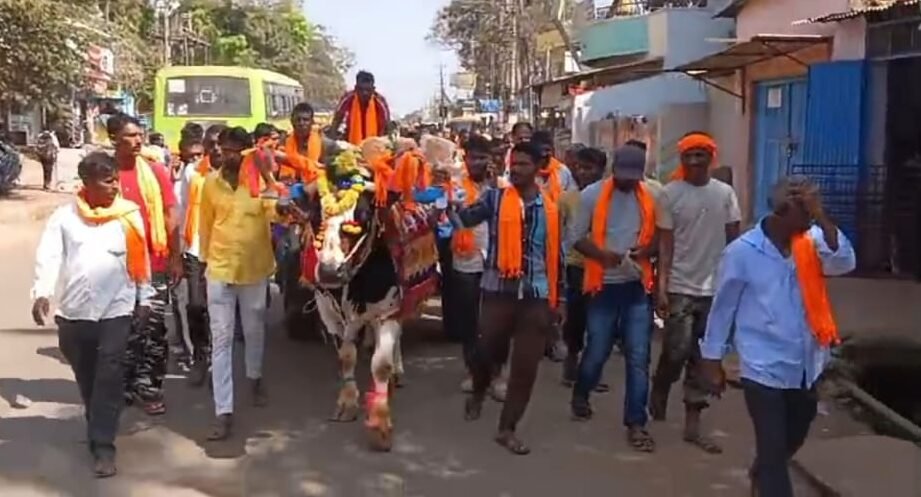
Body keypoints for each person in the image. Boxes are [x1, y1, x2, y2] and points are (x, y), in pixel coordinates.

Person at [700, 175, 855, 497]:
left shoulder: (811, 242)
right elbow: (723, 308)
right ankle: (768, 476)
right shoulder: (742, 252)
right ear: (783, 211)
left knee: (794, 434)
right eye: (806, 214)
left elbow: (844, 262)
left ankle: (764, 469)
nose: (810, 221)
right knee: (772, 448)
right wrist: (711, 361)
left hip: (805, 364)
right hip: (762, 366)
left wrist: (822, 217)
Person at [31, 152, 154, 477]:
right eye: (107, 181)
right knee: (88, 376)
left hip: (118, 308)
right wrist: (42, 292)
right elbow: (50, 255)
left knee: (110, 373)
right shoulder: (65, 217)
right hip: (75, 311)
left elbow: (140, 260)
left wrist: (144, 299)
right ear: (87, 183)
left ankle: (103, 446)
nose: (115, 187)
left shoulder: (128, 215)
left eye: (116, 179)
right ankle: (96, 415)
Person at [452, 141, 562, 455]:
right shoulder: (495, 198)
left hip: (536, 296)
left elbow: (557, 254)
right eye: (513, 164)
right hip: (498, 291)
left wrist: (560, 300)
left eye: (523, 164)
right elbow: (464, 222)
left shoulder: (550, 207)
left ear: (539, 167)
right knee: (486, 352)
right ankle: (479, 390)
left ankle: (507, 428)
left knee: (526, 368)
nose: (515, 169)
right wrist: (451, 207)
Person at [198, 126, 298, 440]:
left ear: (245, 152)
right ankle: (222, 411)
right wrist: (204, 266)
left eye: (233, 150)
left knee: (254, 329)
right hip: (220, 269)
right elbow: (205, 227)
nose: (225, 155)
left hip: (254, 270)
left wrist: (283, 208)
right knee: (222, 340)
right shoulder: (210, 184)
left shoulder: (259, 180)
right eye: (222, 149)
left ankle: (254, 376)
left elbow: (275, 210)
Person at [650, 131, 741, 454]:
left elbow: (735, 242)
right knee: (675, 351)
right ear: (682, 160)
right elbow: (665, 245)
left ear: (710, 158)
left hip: (714, 289)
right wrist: (661, 288)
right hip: (679, 287)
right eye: (688, 156)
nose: (694, 162)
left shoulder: (725, 194)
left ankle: (693, 425)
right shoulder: (669, 194)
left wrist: (736, 287)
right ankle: (660, 385)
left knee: (703, 357)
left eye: (700, 155)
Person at [569, 145, 658, 452]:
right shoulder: (592, 195)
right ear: (613, 170)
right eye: (622, 176)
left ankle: (636, 422)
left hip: (636, 286)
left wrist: (645, 252)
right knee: (597, 350)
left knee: (639, 357)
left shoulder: (652, 196)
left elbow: (662, 236)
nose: (627, 182)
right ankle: (581, 392)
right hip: (602, 286)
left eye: (634, 178)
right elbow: (575, 237)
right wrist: (604, 255)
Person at [108, 113, 181, 416]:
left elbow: (171, 214)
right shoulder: (104, 173)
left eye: (140, 134)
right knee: (119, 329)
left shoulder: (155, 172)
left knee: (152, 328)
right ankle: (122, 386)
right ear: (114, 139)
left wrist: (176, 256)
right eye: (130, 135)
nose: (138, 140)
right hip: (113, 267)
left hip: (155, 264)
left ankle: (149, 387)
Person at [177, 125, 224, 386]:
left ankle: (220, 363)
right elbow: (183, 208)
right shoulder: (191, 173)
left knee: (221, 310)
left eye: (220, 143)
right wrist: (180, 252)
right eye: (211, 144)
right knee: (196, 305)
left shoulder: (238, 175)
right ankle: (199, 356)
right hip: (195, 248)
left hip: (225, 250)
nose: (216, 149)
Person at [449, 135, 493, 392]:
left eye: (482, 157)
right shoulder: (454, 185)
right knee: (470, 322)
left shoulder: (502, 184)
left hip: (498, 262)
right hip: (466, 261)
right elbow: (451, 220)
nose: (477, 162)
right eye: (473, 157)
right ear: (465, 159)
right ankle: (474, 372)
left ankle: (498, 375)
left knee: (496, 321)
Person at [561, 147, 607, 386]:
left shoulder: (610, 196)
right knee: (578, 316)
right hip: (577, 265)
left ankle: (591, 373)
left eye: (589, 168)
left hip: (605, 265)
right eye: (579, 167)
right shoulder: (568, 198)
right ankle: (572, 360)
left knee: (600, 321)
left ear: (601, 170)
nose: (582, 172)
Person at [330, 71, 391, 145]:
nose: (364, 93)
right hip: (351, 145)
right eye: (361, 89)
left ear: (373, 89)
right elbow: (337, 120)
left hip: (375, 146)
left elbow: (387, 127)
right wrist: (333, 142)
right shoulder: (348, 98)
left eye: (368, 90)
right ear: (356, 88)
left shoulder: (380, 102)